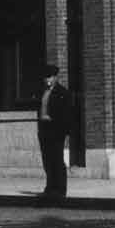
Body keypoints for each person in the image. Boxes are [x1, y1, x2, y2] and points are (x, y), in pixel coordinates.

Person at [35, 63, 79, 206]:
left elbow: (66, 115)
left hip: (56, 130)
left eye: (50, 77)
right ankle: (50, 188)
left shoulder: (62, 93)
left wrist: (62, 131)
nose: (47, 80)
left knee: (57, 160)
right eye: (45, 77)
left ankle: (60, 190)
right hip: (44, 130)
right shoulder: (43, 92)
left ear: (55, 77)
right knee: (47, 160)